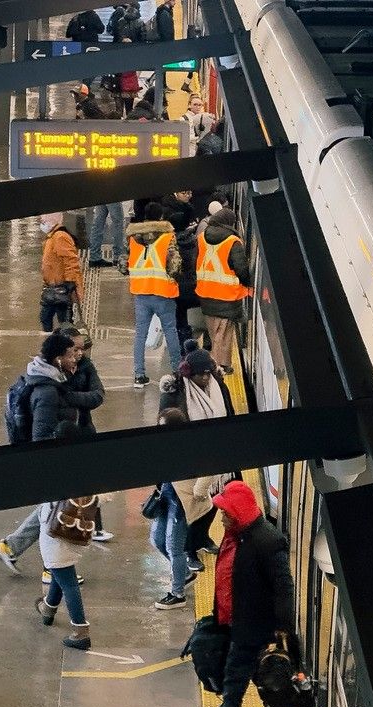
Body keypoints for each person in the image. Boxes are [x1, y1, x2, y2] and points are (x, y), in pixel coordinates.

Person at [195, 480, 296, 707]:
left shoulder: (268, 541)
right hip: (235, 619)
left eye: (227, 512)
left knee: (235, 675)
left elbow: (284, 587)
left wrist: (283, 627)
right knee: (253, 671)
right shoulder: (236, 534)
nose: (222, 517)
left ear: (239, 511)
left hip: (253, 623)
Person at [0, 334, 90, 580]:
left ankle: (11, 547)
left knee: (53, 508)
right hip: (51, 459)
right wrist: (53, 461)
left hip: (55, 456)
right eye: (70, 354)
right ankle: (51, 569)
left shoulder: (49, 379)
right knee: (55, 510)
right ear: (57, 359)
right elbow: (41, 434)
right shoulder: (47, 391)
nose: (75, 358)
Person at [159, 341, 233, 569]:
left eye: (208, 373)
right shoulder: (175, 393)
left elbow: (229, 413)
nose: (205, 378)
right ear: (189, 374)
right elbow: (165, 425)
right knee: (190, 507)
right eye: (200, 375)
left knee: (213, 503)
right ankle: (189, 549)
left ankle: (202, 538)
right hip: (188, 459)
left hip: (216, 452)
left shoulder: (218, 385)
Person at [56, 324, 114, 542]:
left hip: (84, 430)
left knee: (91, 478)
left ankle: (95, 528)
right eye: (75, 350)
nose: (80, 354)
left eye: (82, 349)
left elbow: (97, 396)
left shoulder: (86, 366)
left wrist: (71, 398)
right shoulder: (51, 372)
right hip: (62, 436)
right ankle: (12, 545)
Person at [126, 201, 182, 387]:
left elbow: (124, 264)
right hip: (163, 292)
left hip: (141, 293)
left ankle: (139, 375)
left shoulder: (133, 237)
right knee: (170, 331)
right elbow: (175, 264)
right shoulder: (167, 237)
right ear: (160, 217)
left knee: (140, 334)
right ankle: (177, 371)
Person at [35, 492, 99, 650]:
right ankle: (48, 608)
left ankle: (80, 631)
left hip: (57, 528)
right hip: (79, 528)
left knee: (68, 581)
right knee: (61, 568)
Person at [151, 407, 197, 609]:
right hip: (165, 499)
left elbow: (207, 472)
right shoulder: (164, 446)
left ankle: (177, 593)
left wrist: (199, 492)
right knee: (158, 540)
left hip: (180, 502)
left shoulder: (190, 447)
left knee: (174, 547)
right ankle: (185, 574)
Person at [196, 208, 249, 374]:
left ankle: (221, 364)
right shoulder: (233, 241)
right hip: (226, 295)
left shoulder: (202, 238)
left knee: (214, 333)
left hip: (205, 292)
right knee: (223, 333)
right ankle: (218, 366)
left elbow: (195, 261)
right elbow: (241, 268)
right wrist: (247, 282)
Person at [39, 213, 83, 332]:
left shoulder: (59, 237)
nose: (41, 223)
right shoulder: (52, 236)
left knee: (63, 320)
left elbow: (71, 261)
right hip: (52, 288)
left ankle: (64, 344)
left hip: (61, 288)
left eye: (43, 221)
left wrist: (70, 282)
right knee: (47, 318)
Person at [168, 210, 199, 354]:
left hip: (177, 290)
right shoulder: (195, 242)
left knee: (179, 317)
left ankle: (183, 346)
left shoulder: (170, 245)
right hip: (195, 289)